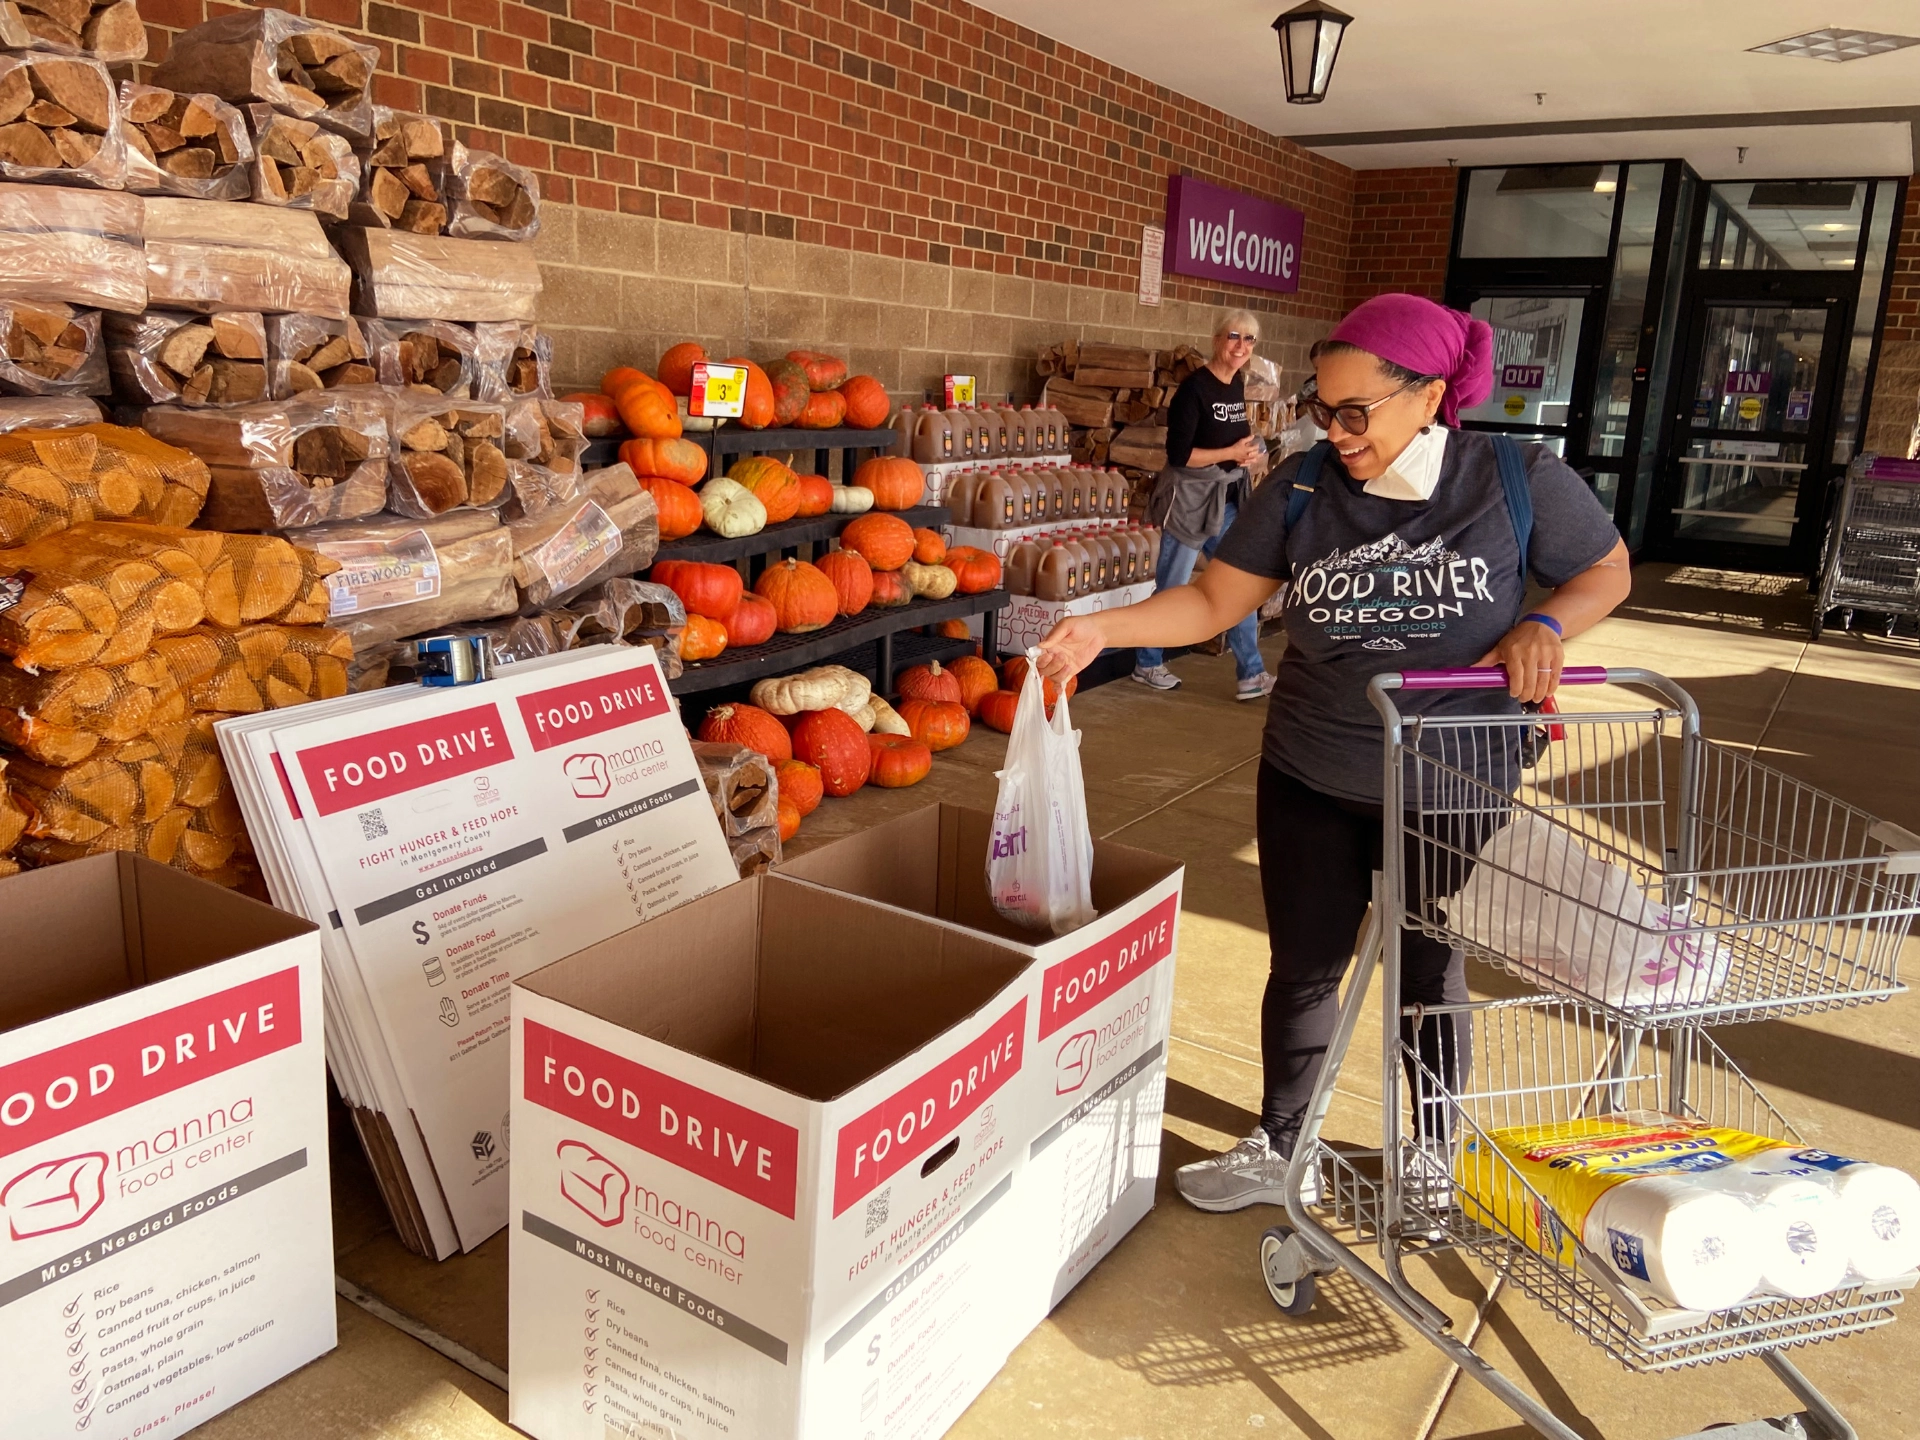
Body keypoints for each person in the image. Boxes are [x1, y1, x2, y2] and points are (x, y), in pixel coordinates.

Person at [1038, 293, 1631, 1212]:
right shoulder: (1305, 486)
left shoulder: (1512, 477)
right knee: (1307, 963)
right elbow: (1209, 604)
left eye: (1358, 412)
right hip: (1312, 768)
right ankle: (1282, 1143)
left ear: (1429, 397)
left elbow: (1608, 567)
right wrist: (1098, 626)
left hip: (1452, 779)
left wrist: (1546, 623)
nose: (1339, 432)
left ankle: (1429, 1154)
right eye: (1325, 408)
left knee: (1426, 969)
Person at [1133, 308, 1276, 701]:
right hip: (1190, 500)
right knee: (1173, 585)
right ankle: (1147, 662)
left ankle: (1251, 673)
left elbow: (1230, 438)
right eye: (1234, 337)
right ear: (1216, 340)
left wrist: (1247, 453)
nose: (1241, 346)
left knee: (1239, 582)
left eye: (1249, 340)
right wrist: (1229, 450)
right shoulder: (1194, 389)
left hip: (1226, 499)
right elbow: (1179, 455)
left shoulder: (1236, 383)